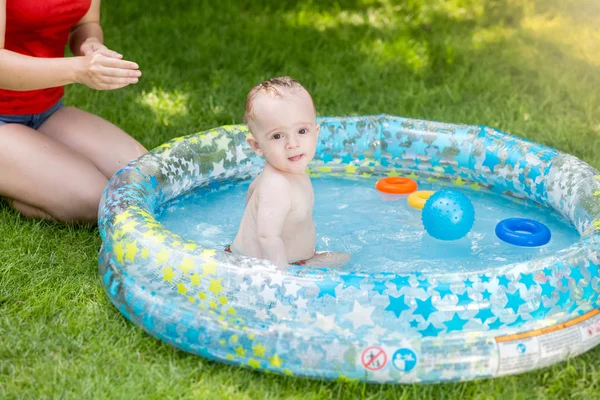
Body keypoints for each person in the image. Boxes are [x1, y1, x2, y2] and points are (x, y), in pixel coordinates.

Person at [0, 0, 147, 223]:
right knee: (95, 201)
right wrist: (78, 70)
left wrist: (91, 42)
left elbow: (86, 23)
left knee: (147, 177)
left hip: (46, 110)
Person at [229, 76, 350, 268]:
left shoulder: (281, 174)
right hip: (262, 267)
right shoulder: (277, 185)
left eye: (302, 131)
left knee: (342, 258)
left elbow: (253, 191)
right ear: (257, 146)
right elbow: (267, 237)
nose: (292, 144)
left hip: (289, 259)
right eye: (277, 136)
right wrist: (284, 282)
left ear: (316, 133)